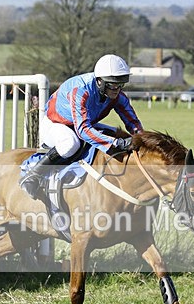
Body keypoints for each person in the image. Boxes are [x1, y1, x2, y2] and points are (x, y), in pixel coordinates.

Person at [20, 54, 144, 199]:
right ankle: (33, 175)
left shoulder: (117, 96)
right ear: (100, 82)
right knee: (71, 144)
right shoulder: (80, 90)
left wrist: (141, 139)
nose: (117, 89)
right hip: (55, 123)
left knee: (119, 134)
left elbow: (133, 122)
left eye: (120, 84)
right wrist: (116, 144)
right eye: (112, 84)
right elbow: (83, 130)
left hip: (81, 123)